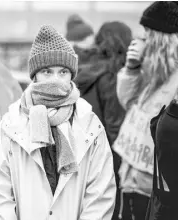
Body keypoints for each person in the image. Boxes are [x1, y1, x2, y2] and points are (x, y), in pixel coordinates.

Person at [0, 24, 116, 219]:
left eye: (63, 72)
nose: (56, 80)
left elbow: (100, 192)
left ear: (71, 75)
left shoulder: (90, 124)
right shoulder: (11, 124)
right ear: (34, 76)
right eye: (47, 71)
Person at [113, 2, 178, 220]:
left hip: (155, 187)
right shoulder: (152, 68)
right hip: (132, 178)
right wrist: (131, 68)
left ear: (163, 38)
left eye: (148, 33)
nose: (143, 40)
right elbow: (129, 102)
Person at [74, 21, 132, 220]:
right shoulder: (112, 74)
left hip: (80, 150)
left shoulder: (82, 67)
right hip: (107, 155)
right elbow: (114, 124)